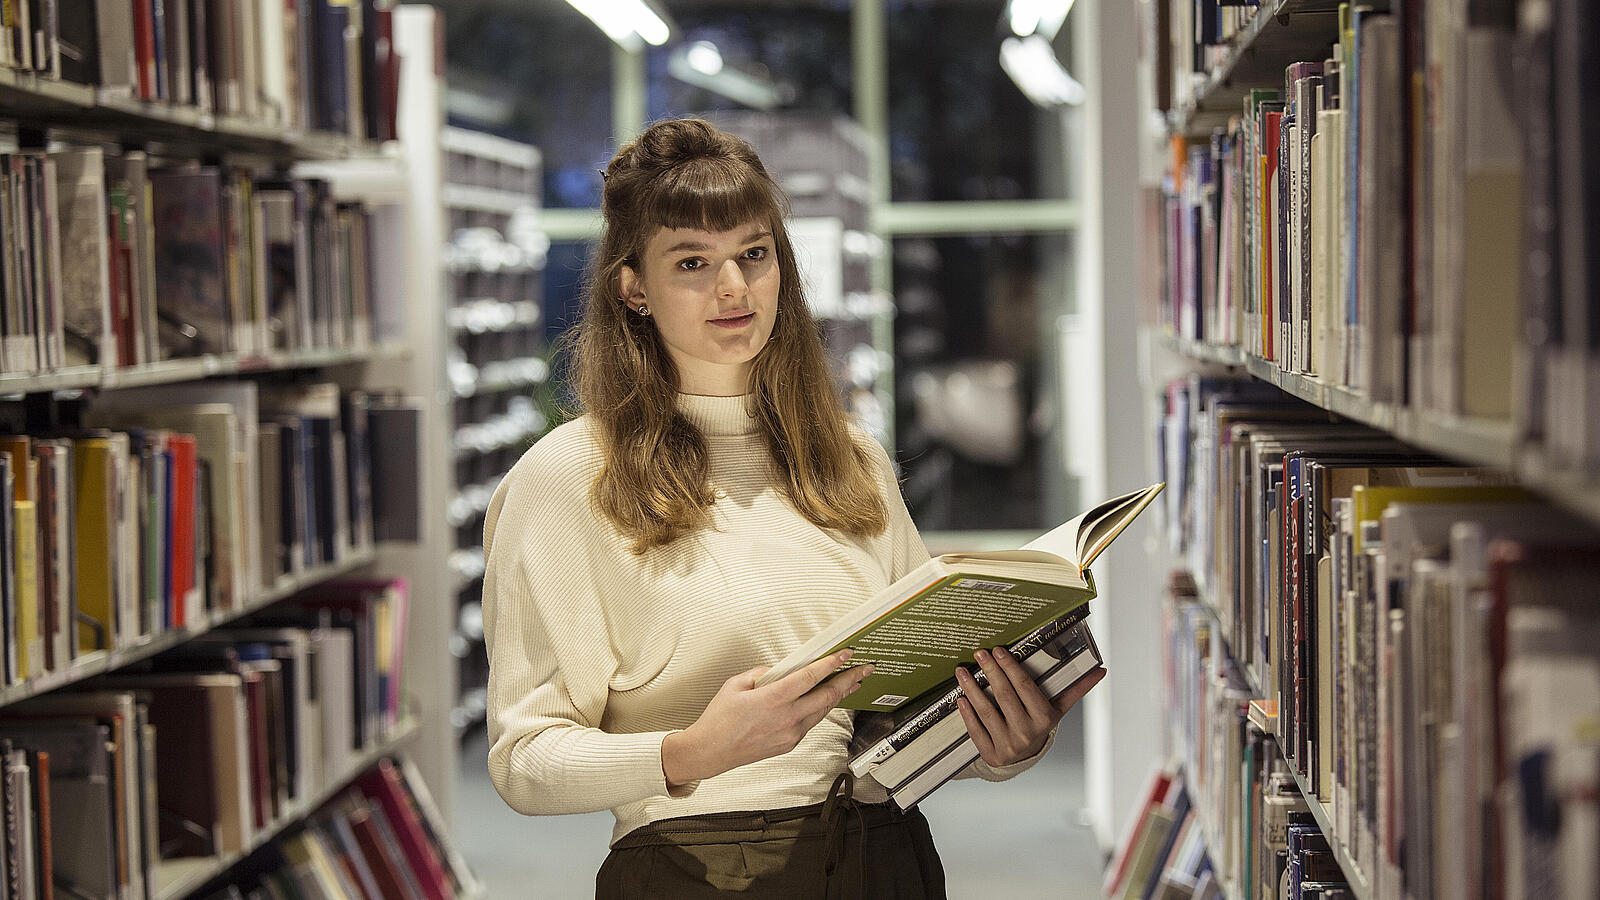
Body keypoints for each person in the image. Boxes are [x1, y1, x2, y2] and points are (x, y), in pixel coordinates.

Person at [480, 117, 1107, 899]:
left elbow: (910, 707)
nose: (734, 288)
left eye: (753, 253)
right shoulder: (568, 479)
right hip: (694, 872)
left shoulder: (850, 457)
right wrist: (692, 751)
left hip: (886, 856)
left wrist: (1000, 742)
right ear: (632, 288)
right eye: (692, 263)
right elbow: (523, 760)